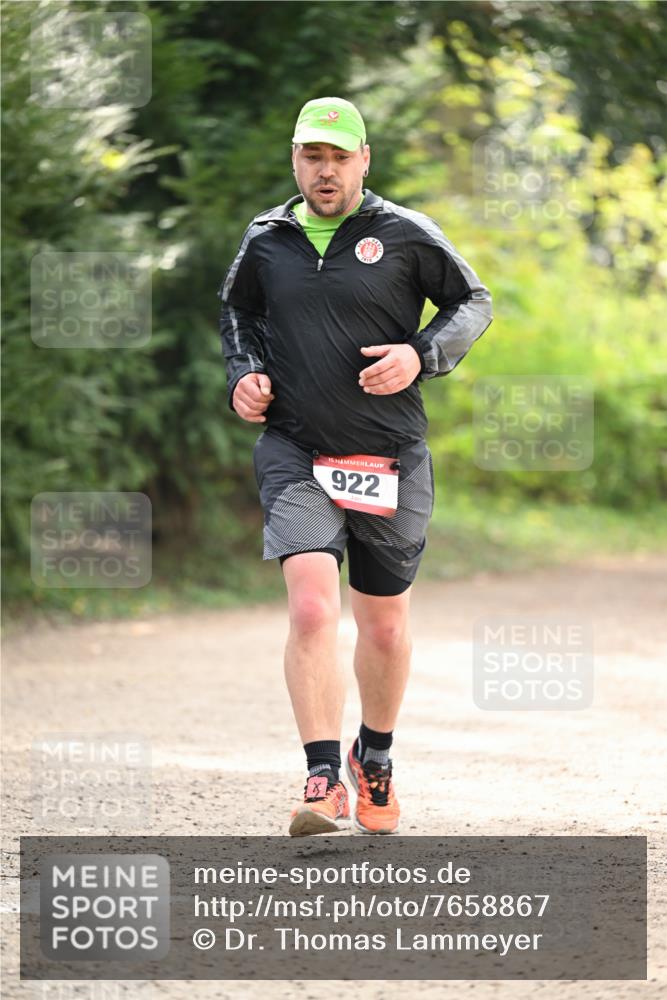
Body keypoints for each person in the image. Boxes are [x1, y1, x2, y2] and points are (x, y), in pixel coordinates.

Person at [219, 97, 492, 837]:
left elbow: (473, 300)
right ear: (296, 161)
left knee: (382, 627)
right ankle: (318, 776)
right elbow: (237, 312)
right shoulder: (268, 238)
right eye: (313, 156)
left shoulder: (402, 233)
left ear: (363, 160)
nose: (326, 169)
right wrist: (243, 372)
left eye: (340, 156)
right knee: (311, 604)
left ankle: (371, 759)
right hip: (296, 447)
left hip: (386, 453)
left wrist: (420, 355)